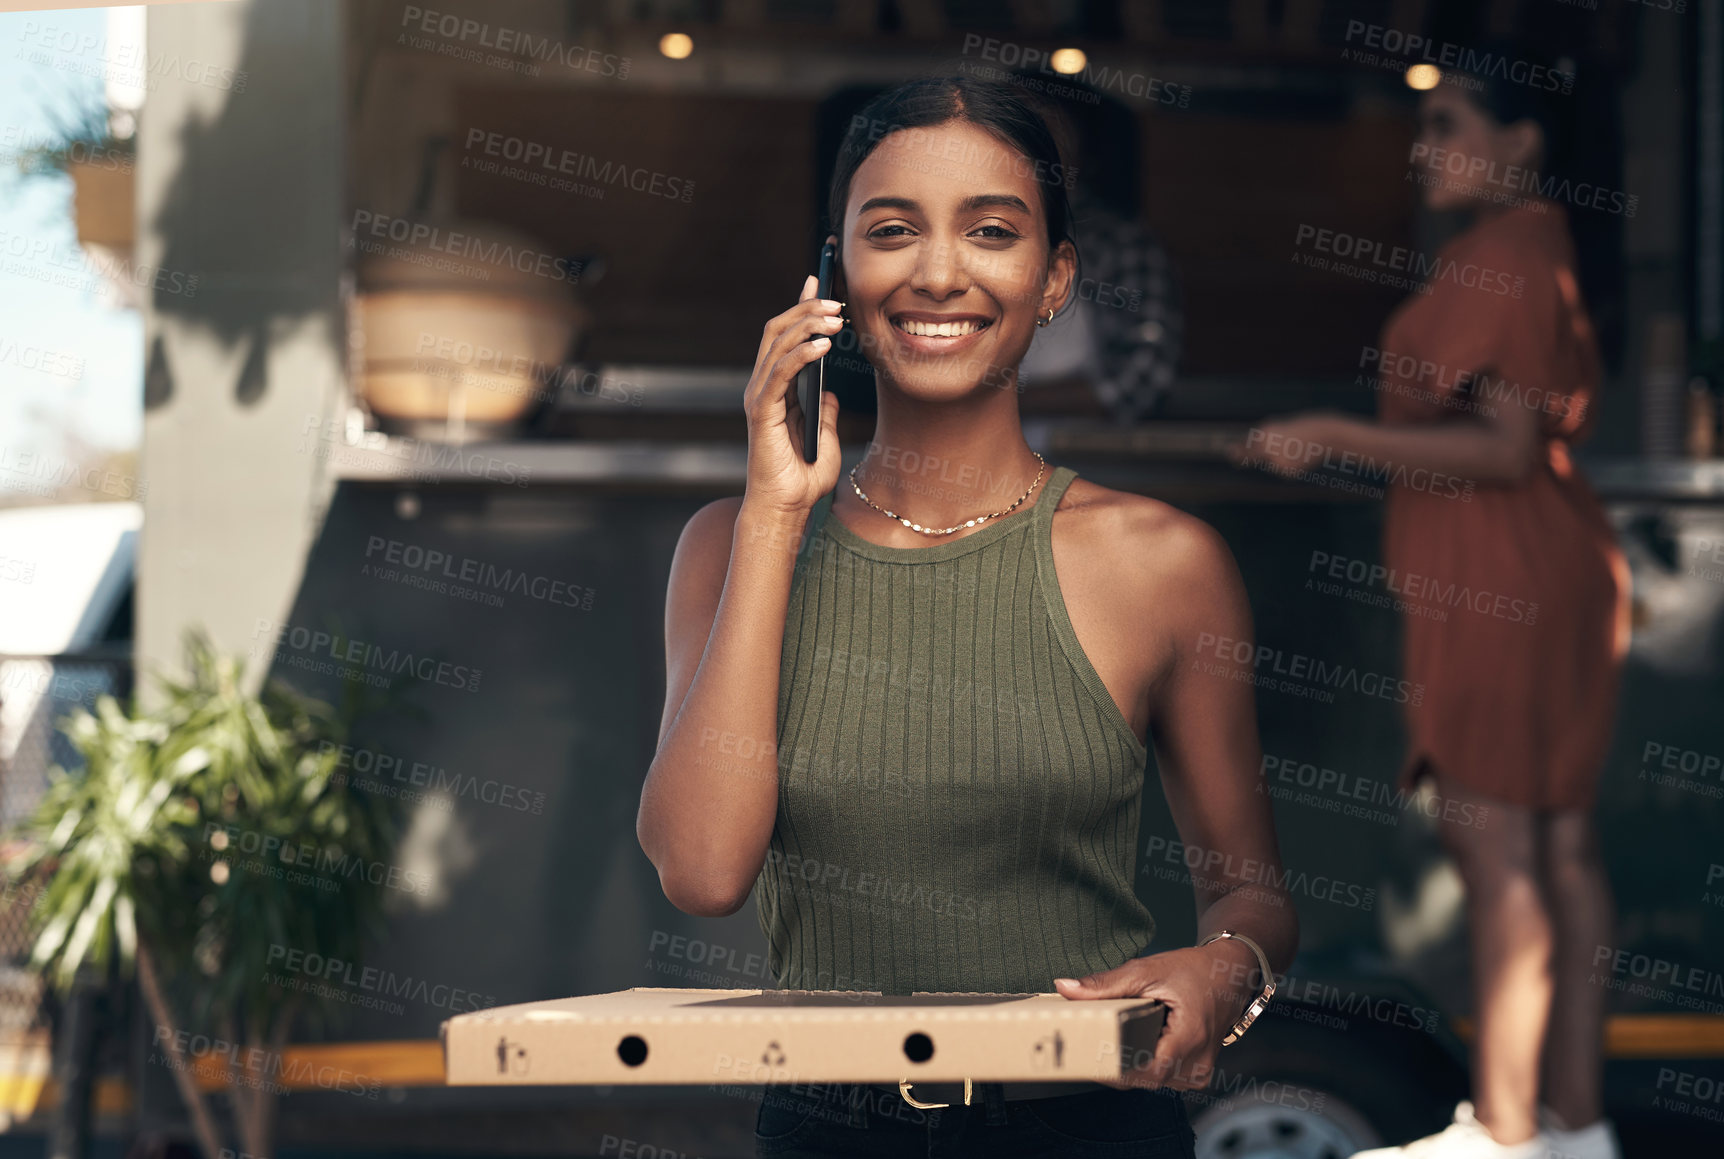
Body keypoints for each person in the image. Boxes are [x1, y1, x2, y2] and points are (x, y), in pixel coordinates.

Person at [637, 75, 1298, 1158]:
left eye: (991, 231)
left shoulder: (1162, 562)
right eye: (890, 231)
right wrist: (773, 509)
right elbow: (703, 873)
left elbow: (1252, 896)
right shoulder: (729, 542)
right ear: (835, 274)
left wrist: (1220, 970)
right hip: (825, 1129)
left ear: (1053, 279)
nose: (938, 271)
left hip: (1088, 1125)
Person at [1233, 55, 1631, 1159]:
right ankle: (1573, 1123)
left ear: (1519, 143)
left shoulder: (1498, 251)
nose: (1421, 146)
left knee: (1496, 847)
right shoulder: (1539, 242)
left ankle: (1504, 1131)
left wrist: (1332, 436)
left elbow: (1501, 446)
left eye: (1446, 121)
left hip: (1501, 566)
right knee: (1556, 849)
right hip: (1550, 562)